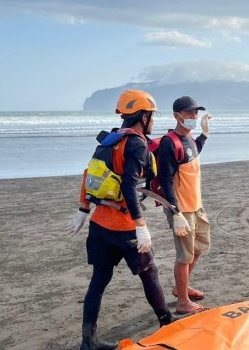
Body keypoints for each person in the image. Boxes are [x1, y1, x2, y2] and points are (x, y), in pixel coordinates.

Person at [68, 89, 175, 350]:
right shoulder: (136, 143)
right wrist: (141, 227)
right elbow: (128, 186)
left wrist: (83, 209)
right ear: (143, 116)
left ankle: (88, 342)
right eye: (152, 115)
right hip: (124, 224)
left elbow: (88, 174)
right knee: (150, 273)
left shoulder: (109, 139)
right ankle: (168, 323)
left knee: (99, 280)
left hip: (99, 223)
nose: (153, 121)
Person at [157, 96, 212, 315]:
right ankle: (182, 302)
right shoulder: (169, 142)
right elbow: (165, 180)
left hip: (196, 206)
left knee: (198, 249)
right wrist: (175, 212)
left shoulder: (189, 139)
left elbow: (193, 151)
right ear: (176, 115)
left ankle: (181, 288)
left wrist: (205, 135)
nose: (193, 117)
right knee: (184, 256)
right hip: (181, 209)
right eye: (189, 114)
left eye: (195, 113)